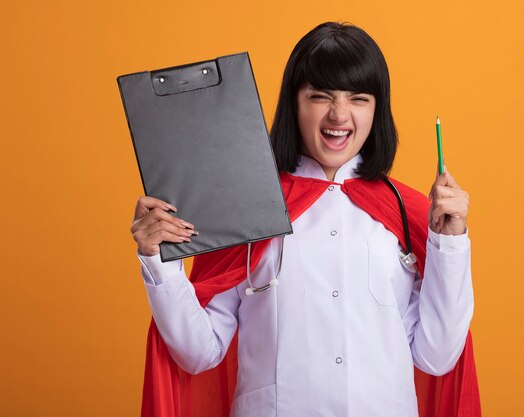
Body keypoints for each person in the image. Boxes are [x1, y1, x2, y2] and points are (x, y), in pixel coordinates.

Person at [130, 22, 480, 417]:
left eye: (359, 98)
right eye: (319, 96)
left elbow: (436, 356)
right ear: (294, 104)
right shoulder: (246, 209)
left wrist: (451, 244)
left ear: (377, 109)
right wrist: (160, 263)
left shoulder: (409, 212)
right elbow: (199, 352)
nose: (339, 114)